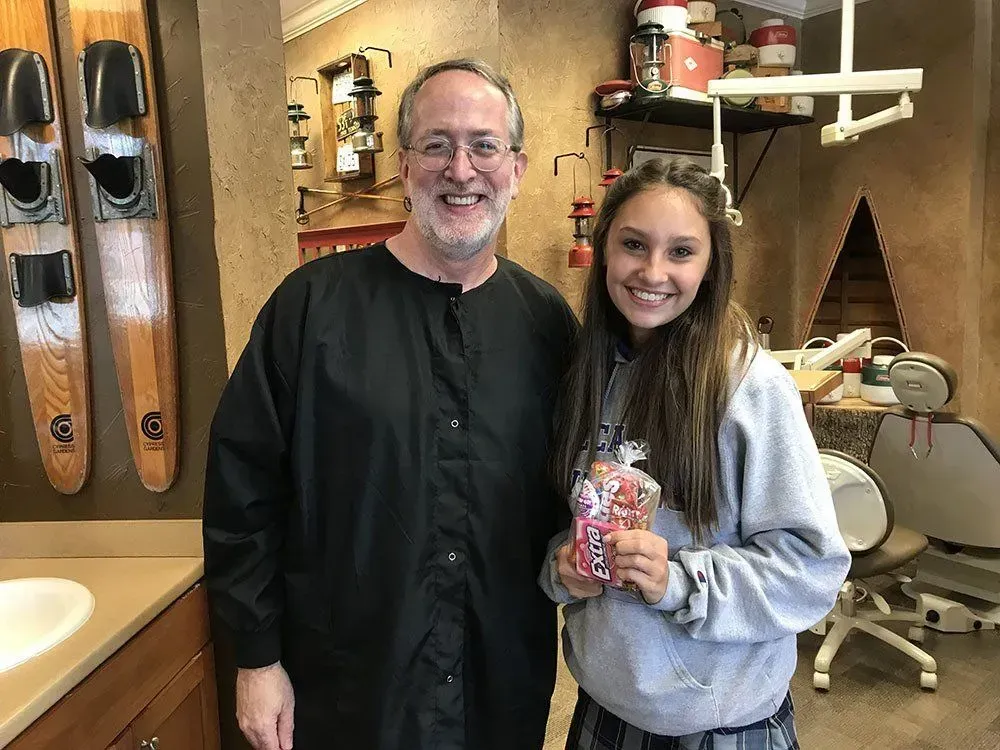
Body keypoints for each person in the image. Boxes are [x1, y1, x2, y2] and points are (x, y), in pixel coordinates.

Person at [203, 58, 577, 750]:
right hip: (348, 692)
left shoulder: (549, 324)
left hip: (499, 687)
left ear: (517, 170)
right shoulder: (310, 309)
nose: (461, 169)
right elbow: (242, 492)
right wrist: (255, 658)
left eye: (485, 145)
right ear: (404, 166)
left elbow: (567, 499)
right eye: (437, 144)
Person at [539, 157, 851, 750]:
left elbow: (813, 569)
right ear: (605, 249)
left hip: (717, 723)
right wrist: (563, 568)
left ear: (711, 267)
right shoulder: (587, 373)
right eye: (634, 244)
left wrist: (680, 581)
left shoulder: (748, 387)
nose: (653, 272)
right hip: (604, 704)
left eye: (682, 251)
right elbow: (565, 523)